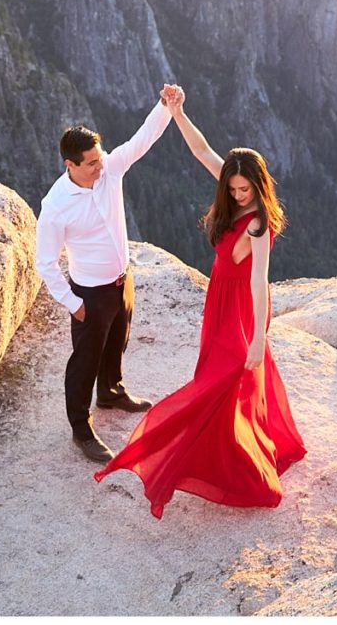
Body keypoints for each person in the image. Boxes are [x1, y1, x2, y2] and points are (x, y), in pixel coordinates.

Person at [94, 89, 306, 517]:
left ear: (259, 185)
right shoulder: (230, 195)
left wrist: (257, 339)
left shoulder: (258, 225)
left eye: (246, 188)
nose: (239, 194)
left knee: (216, 385)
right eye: (233, 187)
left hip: (241, 311)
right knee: (221, 383)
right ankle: (229, 450)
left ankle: (215, 465)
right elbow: (202, 150)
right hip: (218, 303)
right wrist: (177, 113)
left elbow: (260, 283)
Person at [36, 85, 180, 465]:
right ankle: (81, 427)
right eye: (91, 163)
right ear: (70, 165)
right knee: (84, 361)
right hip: (89, 294)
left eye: (100, 159)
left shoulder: (111, 170)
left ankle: (111, 391)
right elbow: (45, 263)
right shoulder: (55, 208)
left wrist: (165, 107)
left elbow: (140, 140)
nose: (101, 167)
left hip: (121, 280)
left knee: (118, 339)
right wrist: (73, 304)